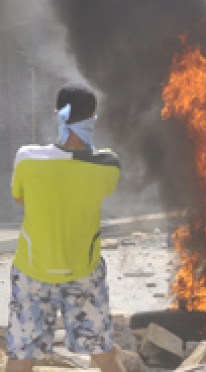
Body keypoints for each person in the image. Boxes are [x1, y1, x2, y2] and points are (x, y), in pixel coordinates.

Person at [8, 83, 125, 372]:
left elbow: (22, 200)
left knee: (21, 357)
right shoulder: (108, 165)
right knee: (105, 355)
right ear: (94, 117)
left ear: (56, 114)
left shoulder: (27, 157)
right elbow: (97, 178)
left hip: (33, 272)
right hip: (83, 274)